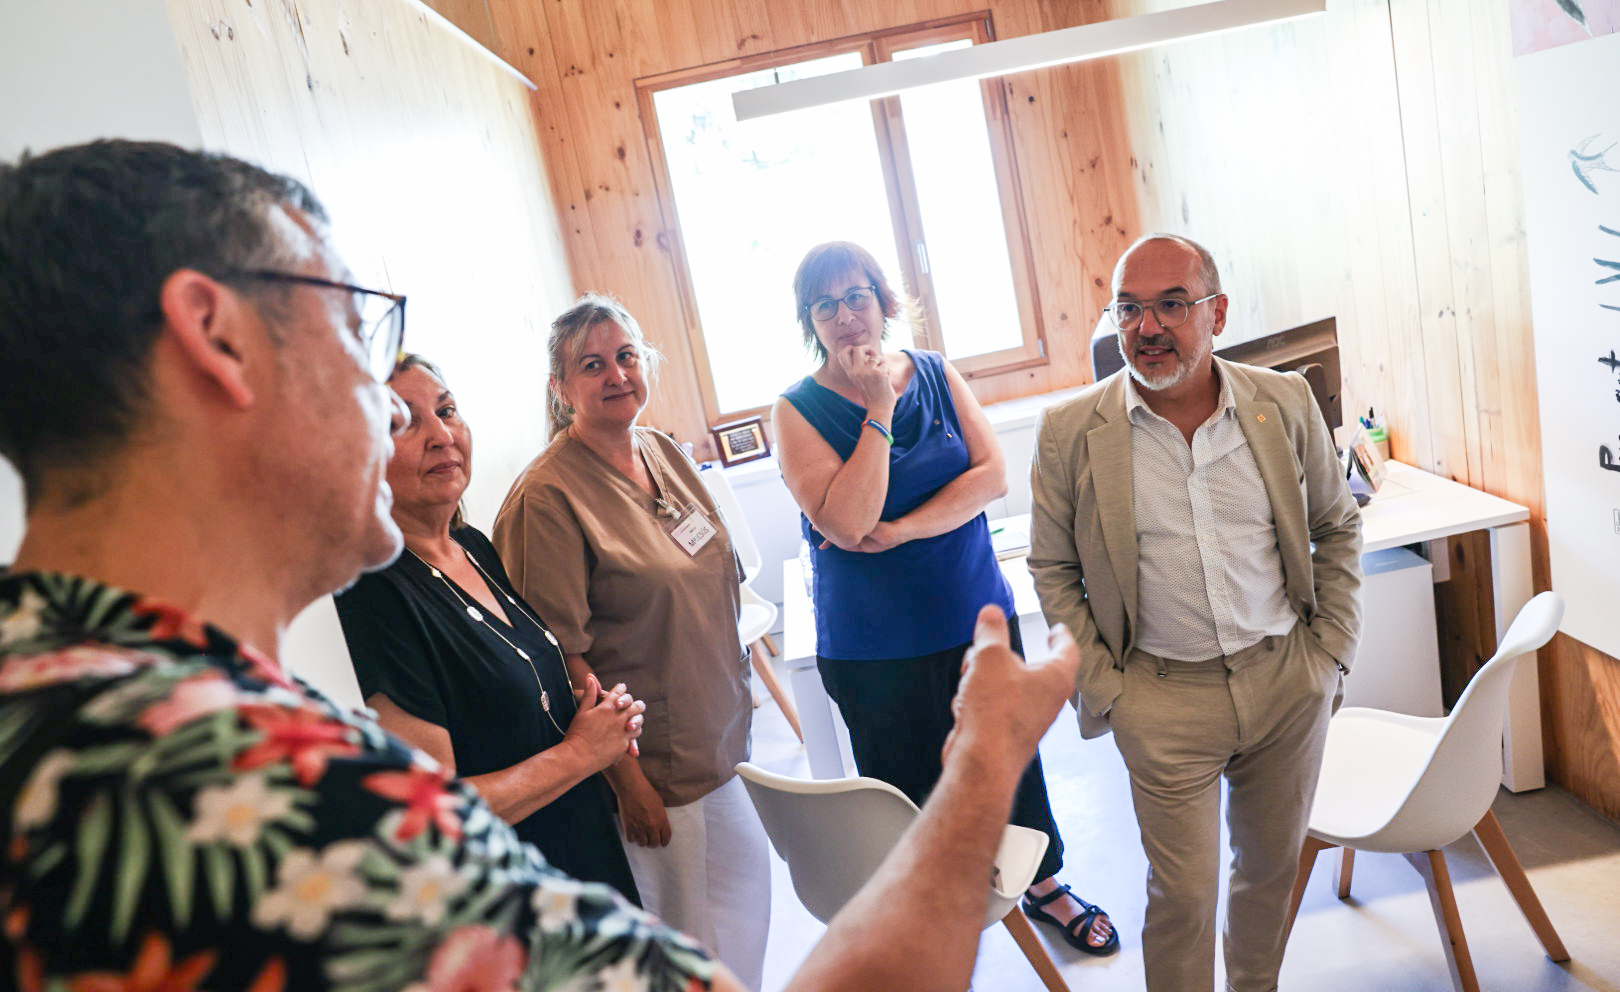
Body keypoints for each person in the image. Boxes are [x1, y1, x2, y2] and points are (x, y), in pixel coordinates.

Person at [0, 138, 1082, 992]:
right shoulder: (251, 799)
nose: (390, 406)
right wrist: (984, 769)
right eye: (357, 327)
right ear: (216, 337)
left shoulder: (76, 698)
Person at [1028, 233, 1364, 992]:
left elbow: (1337, 527)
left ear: (1215, 311)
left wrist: (1329, 656)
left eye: (1171, 305)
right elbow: (1053, 569)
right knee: (1182, 896)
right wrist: (1113, 694)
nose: (1148, 328)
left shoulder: (1283, 403)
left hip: (1285, 682)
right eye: (1129, 309)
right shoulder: (1071, 432)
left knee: (1269, 878)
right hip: (1161, 697)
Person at [773, 240, 1116, 954]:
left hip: (973, 615)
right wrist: (875, 411)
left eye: (857, 297)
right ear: (811, 319)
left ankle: (1043, 883)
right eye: (826, 304)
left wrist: (903, 530)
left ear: (883, 301)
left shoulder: (933, 371)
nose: (845, 316)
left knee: (1008, 758)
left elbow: (992, 476)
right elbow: (845, 520)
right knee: (904, 791)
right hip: (873, 646)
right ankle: (927, 921)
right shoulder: (796, 409)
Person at [491, 295, 770, 988]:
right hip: (649, 766)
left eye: (625, 355)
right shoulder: (548, 499)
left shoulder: (662, 451)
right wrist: (629, 779)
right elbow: (560, 658)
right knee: (684, 945)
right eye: (592, 364)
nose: (616, 374)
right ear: (562, 388)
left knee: (746, 909)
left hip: (714, 741)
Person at [335, 354, 643, 901]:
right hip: (512, 890)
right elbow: (438, 808)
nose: (439, 436)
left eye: (447, 410)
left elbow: (499, 693)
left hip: (583, 847)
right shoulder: (374, 593)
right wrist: (581, 753)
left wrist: (588, 709)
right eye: (399, 423)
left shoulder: (471, 546)